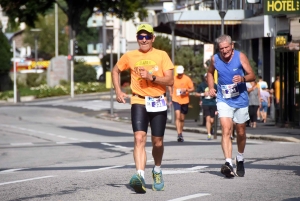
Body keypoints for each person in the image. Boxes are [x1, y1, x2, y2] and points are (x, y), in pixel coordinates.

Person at [111, 23, 174, 193]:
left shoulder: (162, 55)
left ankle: (157, 170)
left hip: (158, 101)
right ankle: (140, 175)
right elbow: (115, 70)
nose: (144, 40)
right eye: (140, 36)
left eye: (147, 36)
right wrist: (118, 90)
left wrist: (151, 77)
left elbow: (170, 81)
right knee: (139, 137)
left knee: (157, 142)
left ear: (153, 38)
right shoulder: (130, 55)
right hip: (138, 100)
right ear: (137, 39)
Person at [207, 34, 256, 178]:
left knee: (240, 131)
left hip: (240, 98)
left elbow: (252, 75)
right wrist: (211, 87)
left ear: (232, 45)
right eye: (221, 48)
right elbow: (209, 74)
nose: (224, 51)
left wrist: (242, 78)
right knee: (226, 129)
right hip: (224, 99)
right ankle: (228, 162)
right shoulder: (215, 59)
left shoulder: (240, 57)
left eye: (226, 47)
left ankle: (239, 157)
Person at [168, 65, 194, 142]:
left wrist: (186, 90)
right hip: (176, 99)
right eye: (178, 74)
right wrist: (171, 92)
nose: (179, 75)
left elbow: (192, 88)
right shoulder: (174, 78)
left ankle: (181, 132)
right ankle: (179, 134)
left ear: (183, 72)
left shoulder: (187, 79)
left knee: (182, 119)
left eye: (181, 74)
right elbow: (170, 85)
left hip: (185, 100)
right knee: (178, 116)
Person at [195, 73, 217, 140]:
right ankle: (209, 134)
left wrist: (215, 95)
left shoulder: (215, 85)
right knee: (208, 119)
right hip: (205, 103)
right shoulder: (202, 85)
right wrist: (203, 94)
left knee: (212, 120)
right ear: (205, 78)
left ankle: (211, 128)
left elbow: (219, 94)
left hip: (213, 103)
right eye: (206, 77)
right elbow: (196, 94)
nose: (208, 78)